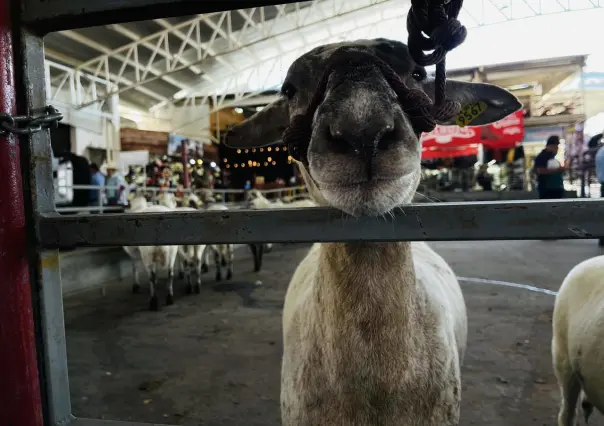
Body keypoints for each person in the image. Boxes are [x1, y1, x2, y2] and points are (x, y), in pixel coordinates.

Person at [533, 135, 566, 199]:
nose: (557, 149)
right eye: (556, 147)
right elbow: (540, 170)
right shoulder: (542, 156)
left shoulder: (552, 157)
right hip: (547, 190)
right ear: (551, 146)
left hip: (556, 188)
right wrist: (557, 170)